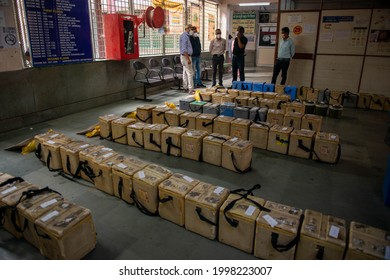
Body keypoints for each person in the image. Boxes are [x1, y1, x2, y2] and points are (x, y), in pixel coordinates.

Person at [179, 24, 194, 94]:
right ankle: (190, 89)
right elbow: (184, 49)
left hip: (183, 56)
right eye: (191, 29)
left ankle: (185, 87)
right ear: (188, 29)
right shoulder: (185, 36)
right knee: (190, 73)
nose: (192, 31)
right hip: (186, 56)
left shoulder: (184, 36)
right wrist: (188, 59)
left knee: (185, 72)